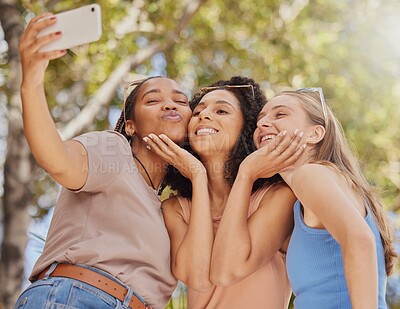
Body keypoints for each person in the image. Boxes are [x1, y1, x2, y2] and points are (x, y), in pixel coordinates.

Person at [15, 12, 192, 309]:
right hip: (77, 299)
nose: (170, 103)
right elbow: (57, 159)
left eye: (181, 100)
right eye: (152, 100)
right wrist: (31, 79)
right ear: (131, 125)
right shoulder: (114, 150)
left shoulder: (169, 208)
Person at [144, 76, 306, 309]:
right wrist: (198, 176)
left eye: (221, 111)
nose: (204, 116)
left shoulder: (278, 196)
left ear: (246, 128)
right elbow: (196, 277)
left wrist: (247, 173)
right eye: (198, 112)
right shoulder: (175, 208)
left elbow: (231, 269)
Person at [253, 88, 398, 309]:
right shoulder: (319, 186)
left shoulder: (310, 174)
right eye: (260, 119)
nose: (263, 123)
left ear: (315, 134)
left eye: (280, 114)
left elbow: (360, 241)